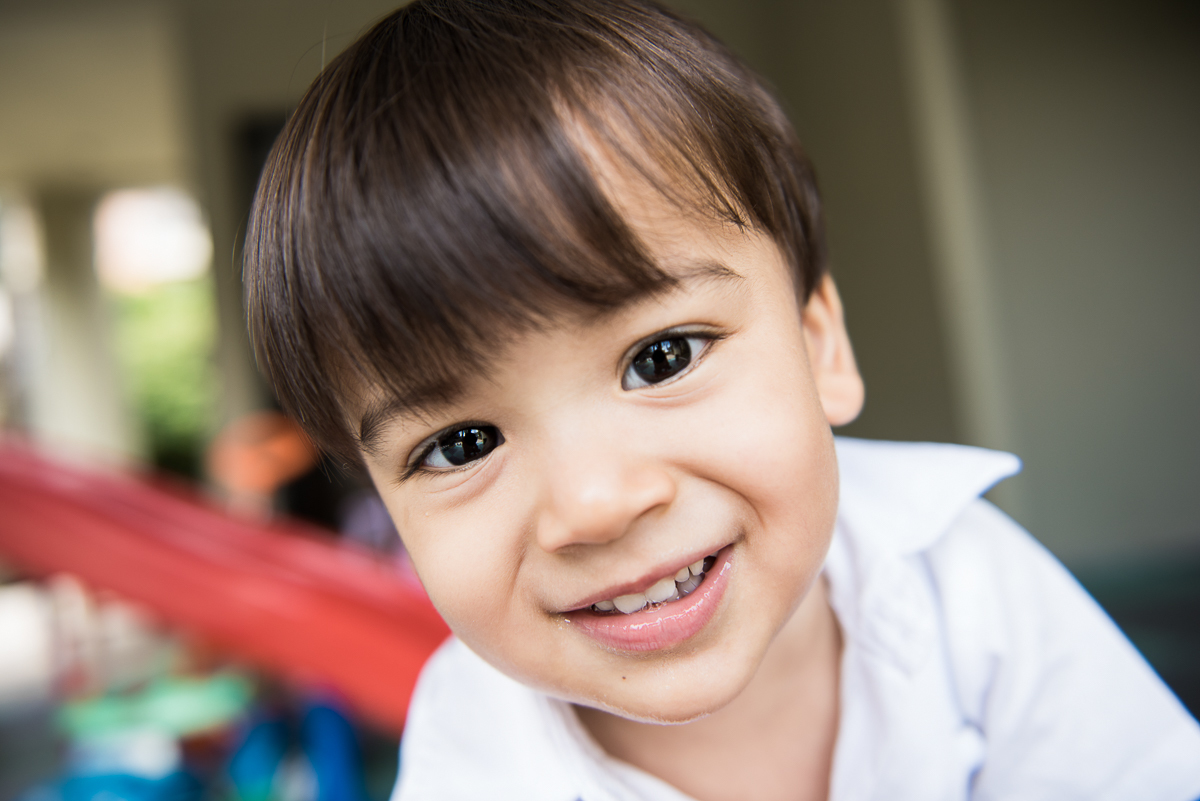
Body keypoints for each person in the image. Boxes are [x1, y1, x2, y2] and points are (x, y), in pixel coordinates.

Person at [241, 0, 1200, 798]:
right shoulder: (474, 762)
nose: (595, 503)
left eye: (661, 357)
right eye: (460, 444)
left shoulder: (958, 580)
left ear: (820, 344)